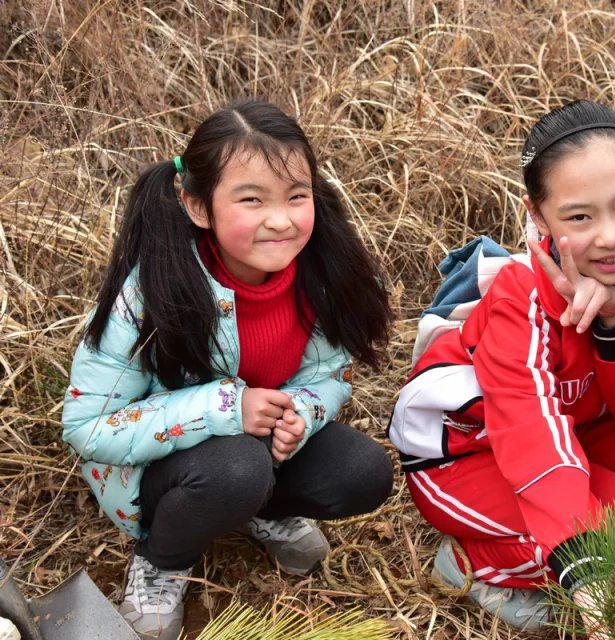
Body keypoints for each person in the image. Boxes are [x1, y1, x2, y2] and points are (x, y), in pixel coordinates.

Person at [61, 100, 394, 639]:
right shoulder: (154, 291)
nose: (281, 219)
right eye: (251, 200)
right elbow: (86, 427)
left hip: (252, 451)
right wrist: (224, 408)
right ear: (199, 206)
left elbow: (329, 376)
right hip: (157, 473)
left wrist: (303, 415)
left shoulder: (324, 275)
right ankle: (162, 560)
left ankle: (255, 508)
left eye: (296, 196)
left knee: (363, 473)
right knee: (237, 467)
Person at [388, 100, 615, 633]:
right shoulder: (522, 297)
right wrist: (584, 565)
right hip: (468, 451)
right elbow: (530, 427)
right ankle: (472, 566)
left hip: (580, 432)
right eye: (579, 217)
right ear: (538, 216)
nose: (611, 236)